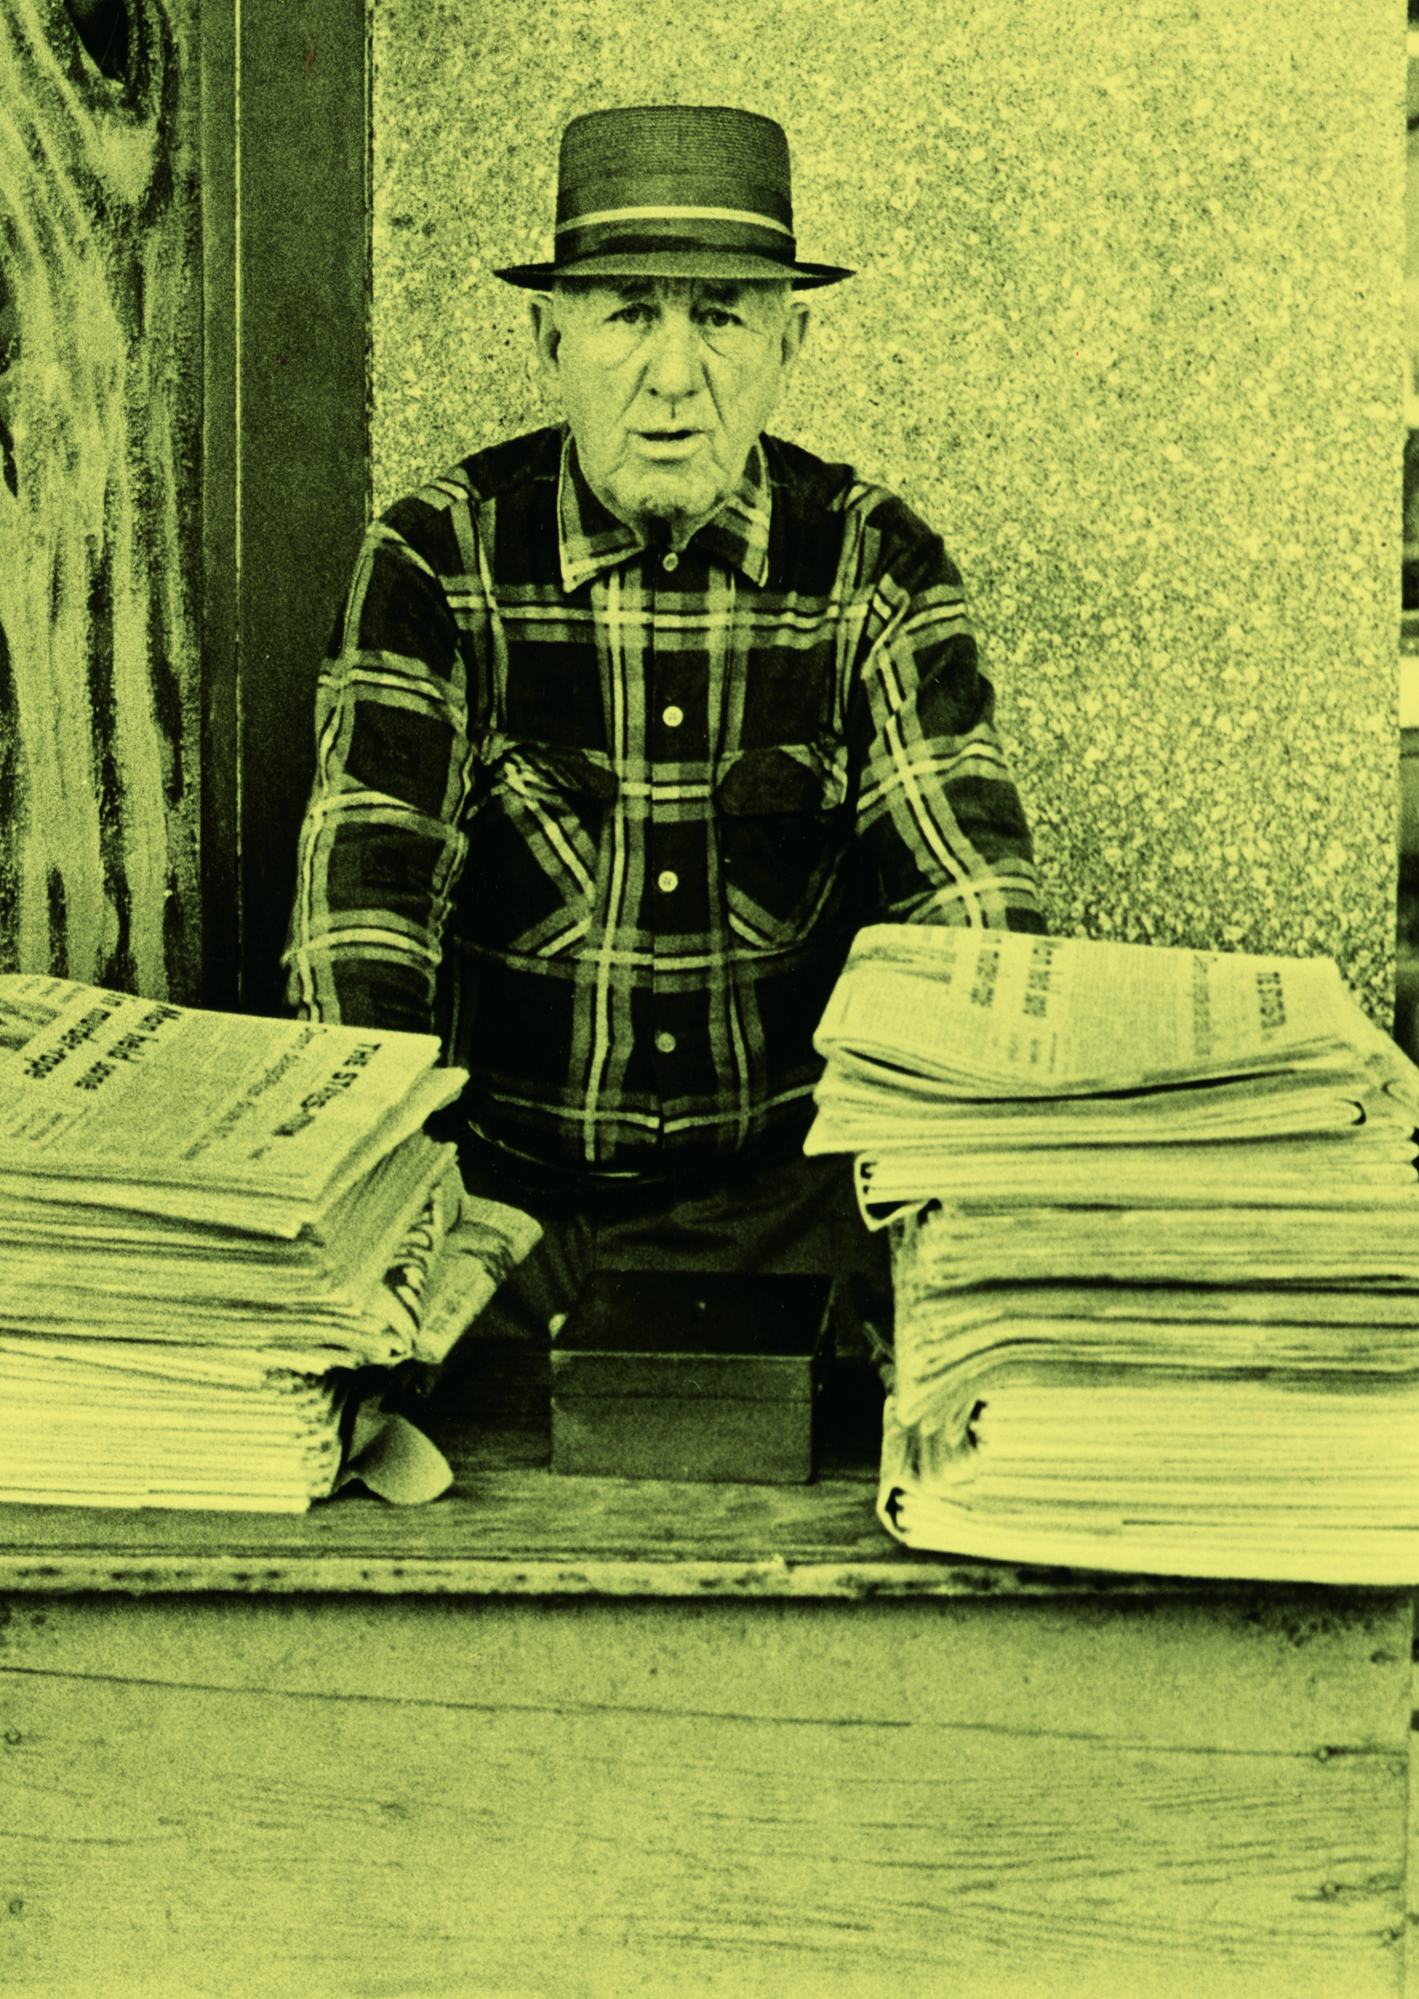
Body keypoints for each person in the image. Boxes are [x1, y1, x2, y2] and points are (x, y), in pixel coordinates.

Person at [286, 103, 1046, 1338]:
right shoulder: (434, 561)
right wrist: (393, 1210)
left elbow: (974, 913)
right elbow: (359, 930)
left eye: (722, 317)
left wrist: (977, 1208)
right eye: (630, 313)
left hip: (791, 1217)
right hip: (494, 1209)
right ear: (550, 335)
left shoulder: (877, 565)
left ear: (791, 340)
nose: (675, 378)